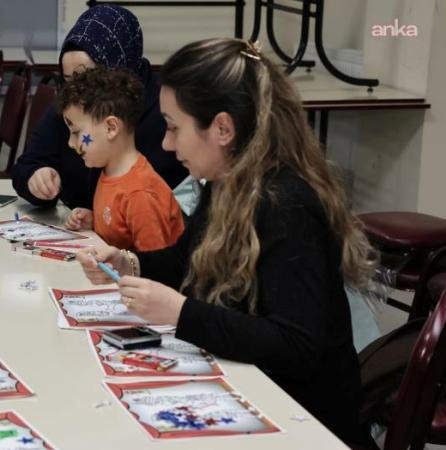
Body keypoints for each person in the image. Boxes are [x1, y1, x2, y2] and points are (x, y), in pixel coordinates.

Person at [76, 38, 377, 447]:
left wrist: (180, 312)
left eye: (173, 127)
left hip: (303, 422)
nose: (166, 144)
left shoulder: (286, 203)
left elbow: (295, 344)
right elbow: (190, 257)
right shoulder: (226, 181)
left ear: (222, 128)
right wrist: (132, 264)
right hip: (250, 391)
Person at [11, 4, 187, 210]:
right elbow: (27, 165)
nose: (79, 90)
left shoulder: (166, 110)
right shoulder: (70, 103)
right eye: (69, 79)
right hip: (79, 227)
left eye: (87, 77)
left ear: (119, 68)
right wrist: (37, 180)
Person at [58, 67, 184, 251]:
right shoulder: (111, 172)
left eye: (76, 133)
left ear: (111, 128)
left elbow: (155, 267)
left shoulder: (140, 194)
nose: (71, 143)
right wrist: (94, 222)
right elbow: (122, 234)